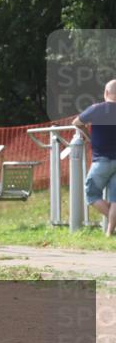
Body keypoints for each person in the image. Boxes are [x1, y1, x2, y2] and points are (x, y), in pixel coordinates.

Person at [73, 79, 116, 237]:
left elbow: (76, 122)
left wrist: (87, 136)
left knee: (91, 194)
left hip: (101, 161)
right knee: (115, 199)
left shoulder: (96, 109)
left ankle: (111, 231)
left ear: (106, 93)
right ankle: (109, 233)